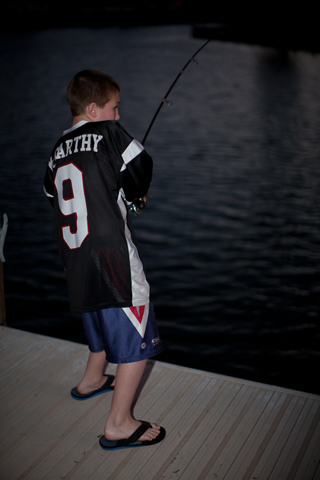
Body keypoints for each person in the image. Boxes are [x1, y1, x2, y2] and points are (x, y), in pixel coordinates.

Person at [43, 69, 165, 450]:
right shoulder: (110, 133)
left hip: (75, 254)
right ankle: (118, 423)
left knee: (96, 310)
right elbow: (141, 164)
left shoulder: (56, 150)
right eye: (115, 108)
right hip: (112, 255)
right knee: (136, 328)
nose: (118, 115)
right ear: (94, 109)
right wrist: (133, 193)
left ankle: (92, 380)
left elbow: (53, 194)